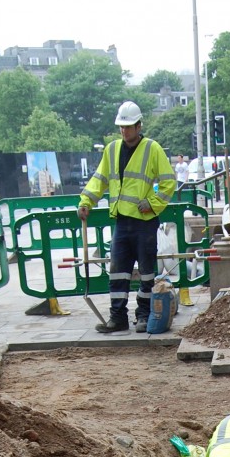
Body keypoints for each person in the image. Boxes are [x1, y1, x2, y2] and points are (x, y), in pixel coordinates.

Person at [78, 101, 176, 334]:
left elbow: (168, 182)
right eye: (122, 127)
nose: (125, 131)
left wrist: (152, 203)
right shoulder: (111, 150)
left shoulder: (152, 149)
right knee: (118, 271)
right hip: (122, 221)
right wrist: (85, 201)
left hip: (144, 223)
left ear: (139, 125)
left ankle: (143, 315)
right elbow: (99, 179)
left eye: (129, 126)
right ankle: (118, 317)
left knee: (146, 272)